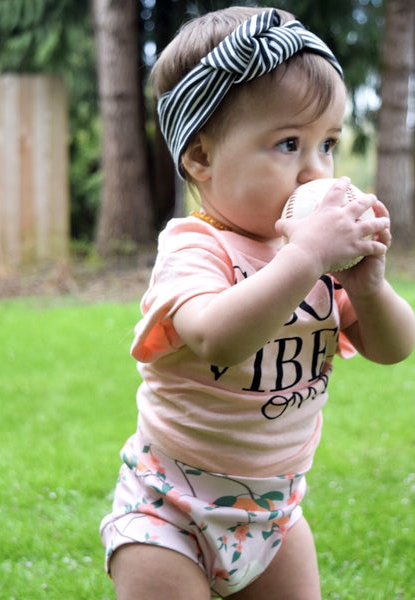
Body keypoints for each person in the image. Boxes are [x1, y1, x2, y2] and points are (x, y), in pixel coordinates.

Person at [99, 6, 415, 600]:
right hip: (171, 509)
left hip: (274, 510)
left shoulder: (316, 258)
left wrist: (368, 284)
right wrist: (308, 259)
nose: (313, 171)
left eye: (328, 144)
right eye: (288, 143)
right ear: (201, 159)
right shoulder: (194, 246)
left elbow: (395, 347)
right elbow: (219, 336)